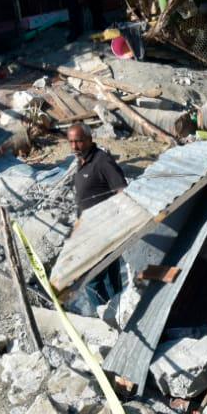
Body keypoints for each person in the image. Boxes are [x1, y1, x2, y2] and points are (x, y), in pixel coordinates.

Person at [68, 124, 128, 311]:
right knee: (108, 276)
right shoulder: (82, 162)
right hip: (88, 230)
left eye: (78, 141)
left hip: (103, 231)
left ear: (89, 139)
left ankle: (107, 315)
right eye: (71, 142)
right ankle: (115, 314)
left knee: (92, 278)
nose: (75, 146)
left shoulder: (102, 161)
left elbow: (122, 191)